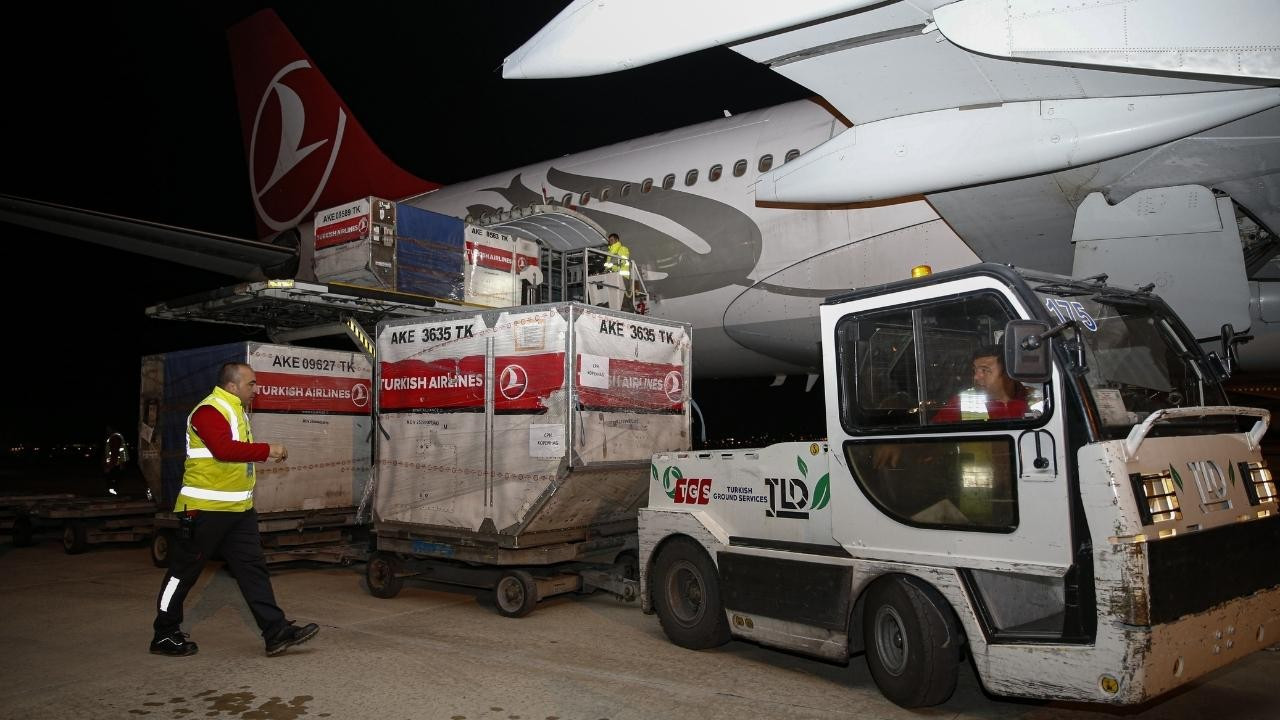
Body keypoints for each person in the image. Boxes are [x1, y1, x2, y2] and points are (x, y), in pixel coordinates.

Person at [149, 362, 319, 657]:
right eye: (251, 384)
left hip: (238, 510)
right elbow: (224, 450)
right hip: (204, 510)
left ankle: (275, 631)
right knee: (183, 573)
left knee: (253, 570)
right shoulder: (209, 411)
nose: (256, 390)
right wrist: (269, 450)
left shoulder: (235, 409)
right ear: (232, 386)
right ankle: (164, 633)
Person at [932, 345, 1030, 423]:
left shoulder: (1036, 399)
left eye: (985, 370)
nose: (976, 377)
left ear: (1008, 373)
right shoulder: (962, 402)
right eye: (975, 370)